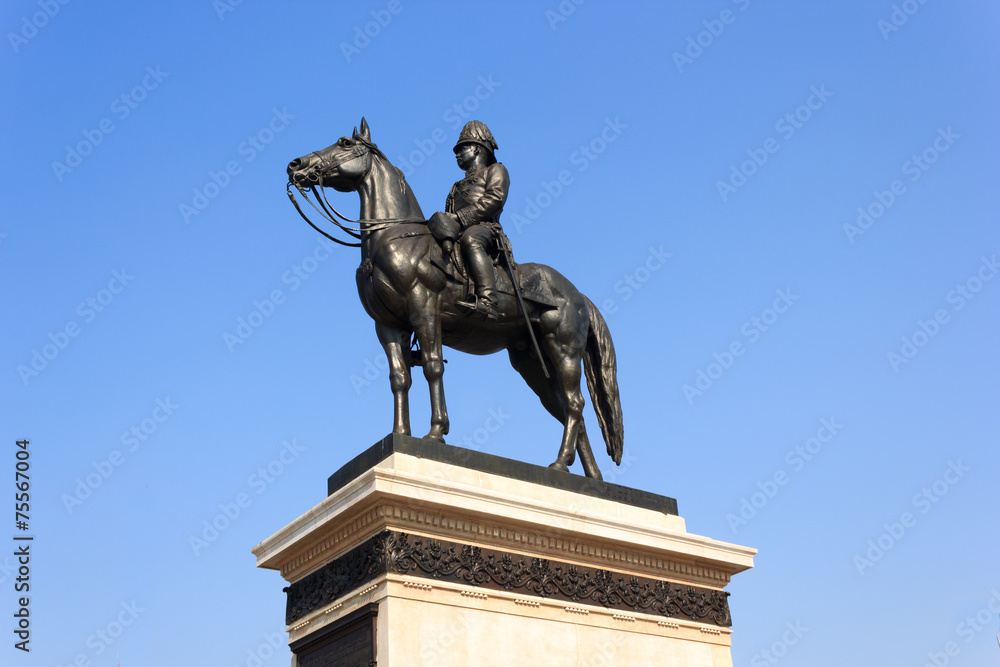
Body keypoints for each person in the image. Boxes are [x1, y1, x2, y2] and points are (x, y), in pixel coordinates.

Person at [428, 120, 509, 320]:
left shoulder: (496, 170)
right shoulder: (456, 185)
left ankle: (488, 300)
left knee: (471, 239)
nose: (456, 154)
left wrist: (459, 217)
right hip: (458, 231)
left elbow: (495, 199)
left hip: (485, 229)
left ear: (477, 149)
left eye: (462, 148)